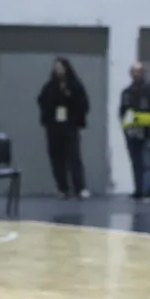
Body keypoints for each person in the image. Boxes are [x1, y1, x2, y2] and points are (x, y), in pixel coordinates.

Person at [37, 58, 90, 200]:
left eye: (61, 68)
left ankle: (80, 187)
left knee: (74, 157)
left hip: (70, 126)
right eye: (56, 68)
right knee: (56, 159)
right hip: (54, 127)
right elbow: (42, 101)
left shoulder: (75, 86)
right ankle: (63, 187)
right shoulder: (49, 87)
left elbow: (83, 105)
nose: (58, 71)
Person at [119, 62, 150, 202]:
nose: (137, 74)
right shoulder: (126, 92)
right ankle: (138, 190)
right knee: (136, 163)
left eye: (139, 71)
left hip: (147, 132)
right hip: (132, 133)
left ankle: (148, 192)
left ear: (144, 73)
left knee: (147, 163)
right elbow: (122, 112)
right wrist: (125, 129)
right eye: (134, 72)